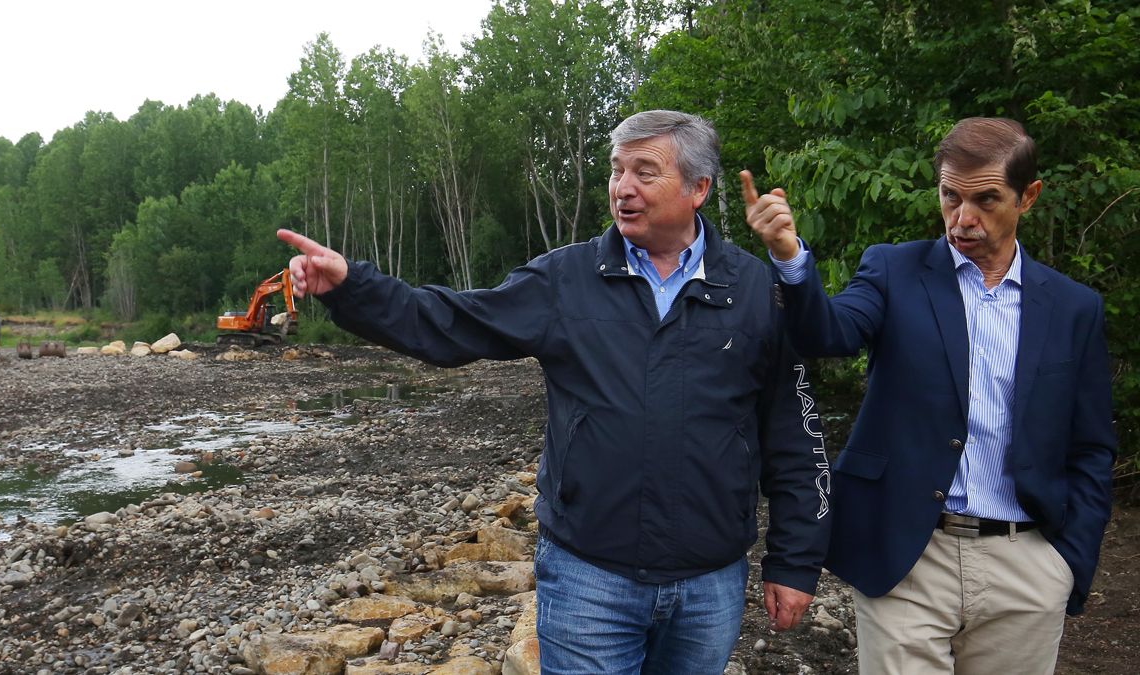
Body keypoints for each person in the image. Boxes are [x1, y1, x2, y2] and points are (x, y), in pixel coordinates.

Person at [278, 109, 831, 674]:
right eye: (617, 171)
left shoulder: (755, 289)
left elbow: (794, 435)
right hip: (589, 578)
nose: (623, 188)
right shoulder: (566, 279)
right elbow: (449, 323)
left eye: (645, 171)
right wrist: (353, 288)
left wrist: (794, 561)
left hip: (710, 582)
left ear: (699, 189)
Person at [743, 117, 1116, 674]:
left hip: (1027, 564)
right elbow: (831, 332)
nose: (963, 219)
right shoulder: (895, 269)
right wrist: (790, 257)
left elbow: (1091, 446)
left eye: (986, 199)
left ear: (1028, 197)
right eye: (950, 197)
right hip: (909, 557)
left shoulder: (1073, 308)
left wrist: (1069, 561)